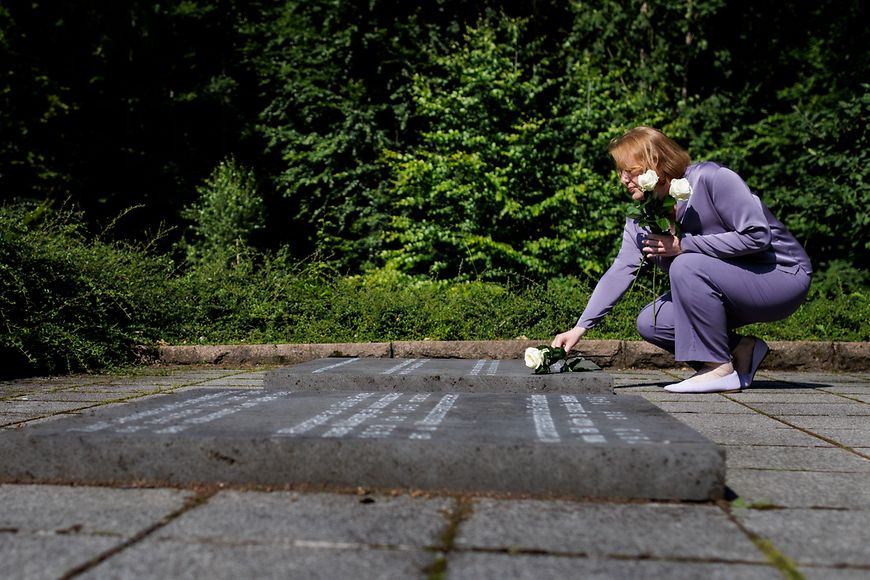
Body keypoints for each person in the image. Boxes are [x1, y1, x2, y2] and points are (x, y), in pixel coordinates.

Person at [551, 126, 812, 393]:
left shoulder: (712, 178)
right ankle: (741, 349)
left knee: (686, 263)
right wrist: (580, 327)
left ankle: (718, 368)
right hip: (729, 287)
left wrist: (684, 245)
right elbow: (621, 269)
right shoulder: (641, 217)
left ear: (656, 162)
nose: (623, 179)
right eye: (620, 172)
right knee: (653, 322)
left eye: (630, 171)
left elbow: (757, 235)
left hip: (781, 276)